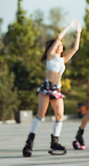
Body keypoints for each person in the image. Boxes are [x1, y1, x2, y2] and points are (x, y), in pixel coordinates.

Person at [22, 19, 82, 157]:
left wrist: (78, 32)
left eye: (61, 45)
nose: (60, 46)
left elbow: (75, 48)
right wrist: (68, 26)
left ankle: (55, 141)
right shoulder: (50, 56)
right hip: (47, 87)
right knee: (41, 114)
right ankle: (29, 142)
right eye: (58, 45)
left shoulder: (62, 59)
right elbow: (59, 37)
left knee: (60, 115)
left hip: (57, 89)